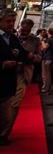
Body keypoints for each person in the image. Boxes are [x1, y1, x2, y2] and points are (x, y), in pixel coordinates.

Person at [3, 19, 42, 140]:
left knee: (14, 104)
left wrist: (32, 57)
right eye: (22, 29)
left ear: (31, 29)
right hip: (6, 74)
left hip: (22, 75)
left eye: (27, 30)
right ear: (19, 27)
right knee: (4, 103)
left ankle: (4, 134)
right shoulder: (10, 38)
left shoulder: (35, 41)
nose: (24, 32)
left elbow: (39, 58)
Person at [0, 9, 32, 146]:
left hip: (8, 83)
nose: (11, 24)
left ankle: (2, 136)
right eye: (8, 21)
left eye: (13, 21)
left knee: (5, 115)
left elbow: (21, 54)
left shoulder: (12, 38)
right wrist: (2, 65)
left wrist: (29, 56)